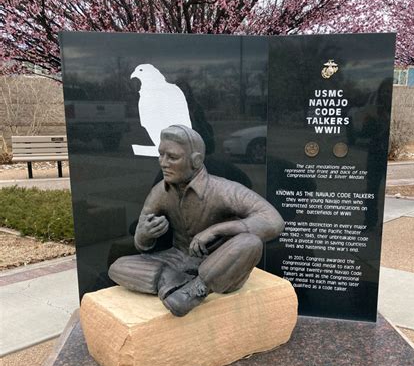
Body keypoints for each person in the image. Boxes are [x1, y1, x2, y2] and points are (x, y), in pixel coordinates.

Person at [109, 125, 284, 316]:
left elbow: (274, 221)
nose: (163, 163)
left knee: (250, 242)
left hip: (219, 263)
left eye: (172, 157)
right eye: (161, 155)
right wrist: (144, 235)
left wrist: (219, 230)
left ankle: (197, 289)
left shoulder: (224, 190)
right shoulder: (160, 191)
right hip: (177, 260)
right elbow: (142, 244)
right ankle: (171, 281)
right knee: (118, 266)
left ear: (196, 160)